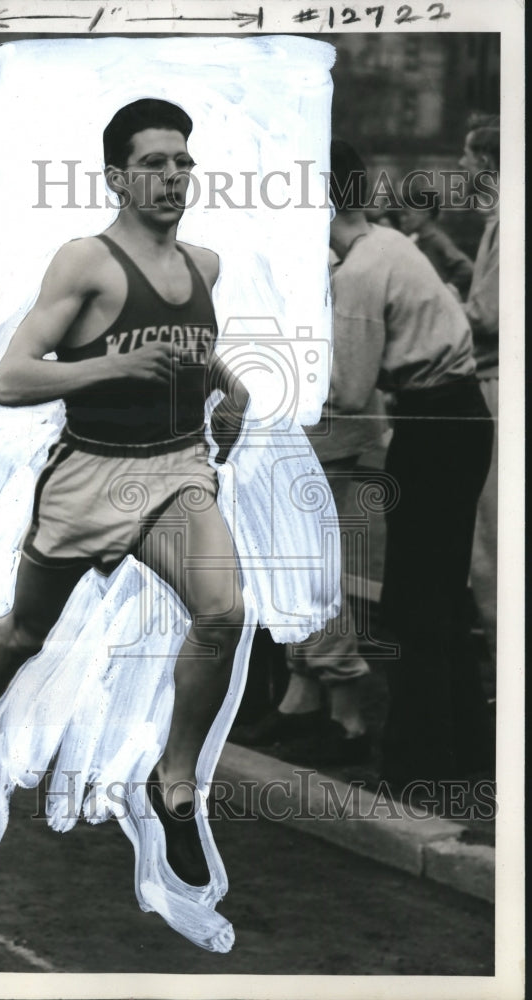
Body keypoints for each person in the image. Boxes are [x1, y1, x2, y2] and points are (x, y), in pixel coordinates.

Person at [0, 99, 249, 888]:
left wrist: (227, 387)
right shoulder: (86, 261)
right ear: (116, 177)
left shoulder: (205, 265)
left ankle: (173, 785)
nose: (173, 177)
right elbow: (7, 379)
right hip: (88, 472)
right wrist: (106, 367)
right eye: (154, 164)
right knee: (23, 633)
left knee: (223, 611)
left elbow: (187, 348)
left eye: (182, 162)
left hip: (173, 469)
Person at [328, 140, 494, 786]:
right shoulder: (391, 245)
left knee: (410, 602)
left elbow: (347, 391)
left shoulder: (355, 275)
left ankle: (414, 766)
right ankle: (463, 757)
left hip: (430, 427)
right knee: (441, 600)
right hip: (460, 417)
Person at [230, 249, 384, 765]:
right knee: (293, 573)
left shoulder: (321, 264)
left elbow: (338, 377)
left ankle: (348, 717)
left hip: (324, 441)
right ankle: (301, 701)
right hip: (296, 438)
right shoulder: (292, 254)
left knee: (314, 575)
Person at [460, 120, 499, 667]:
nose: (462, 169)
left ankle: (500, 668)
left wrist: (434, 304)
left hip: (494, 386)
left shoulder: (502, 223)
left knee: (488, 540)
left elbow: (487, 314)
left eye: (467, 158)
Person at [398, 180, 474, 301]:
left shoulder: (437, 240)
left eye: (407, 214)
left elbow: (467, 269)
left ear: (425, 214)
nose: (403, 220)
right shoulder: (419, 240)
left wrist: (446, 289)